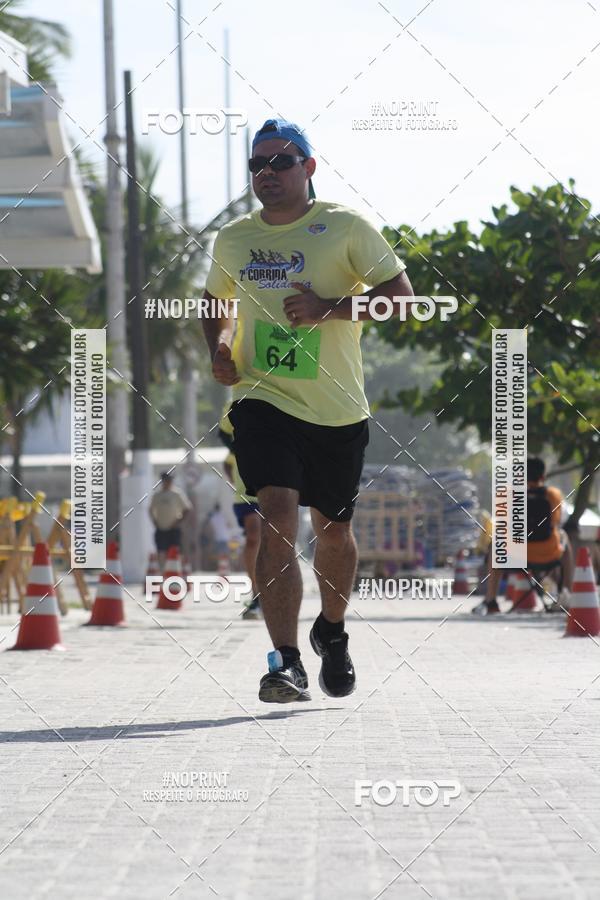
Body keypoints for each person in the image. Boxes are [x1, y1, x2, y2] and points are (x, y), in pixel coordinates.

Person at [202, 117, 414, 702]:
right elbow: (215, 301)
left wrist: (331, 308)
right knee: (275, 513)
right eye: (257, 165)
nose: (266, 174)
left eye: (280, 162)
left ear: (309, 167)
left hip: (336, 409)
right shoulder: (234, 239)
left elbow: (401, 301)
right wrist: (219, 345)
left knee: (334, 531)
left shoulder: (346, 228)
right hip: (262, 399)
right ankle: (286, 662)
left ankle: (333, 631)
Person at [472, 457, 573, 615]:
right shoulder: (553, 495)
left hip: (515, 556)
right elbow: (556, 521)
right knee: (564, 537)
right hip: (547, 555)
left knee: (496, 543)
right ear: (542, 476)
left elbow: (503, 523)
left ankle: (491, 599)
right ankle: (567, 593)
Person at [219, 409, 261, 619]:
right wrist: (234, 483)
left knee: (273, 544)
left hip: (276, 494)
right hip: (246, 498)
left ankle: (270, 593)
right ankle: (257, 595)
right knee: (253, 540)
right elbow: (226, 463)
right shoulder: (237, 443)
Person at [149, 472, 191, 568]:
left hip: (173, 528)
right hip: (161, 528)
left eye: (169, 480)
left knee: (175, 551)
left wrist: (178, 522)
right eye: (166, 480)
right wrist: (155, 522)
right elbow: (150, 510)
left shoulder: (177, 493)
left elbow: (187, 509)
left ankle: (176, 573)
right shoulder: (157, 495)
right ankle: (163, 573)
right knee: (161, 552)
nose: (168, 482)